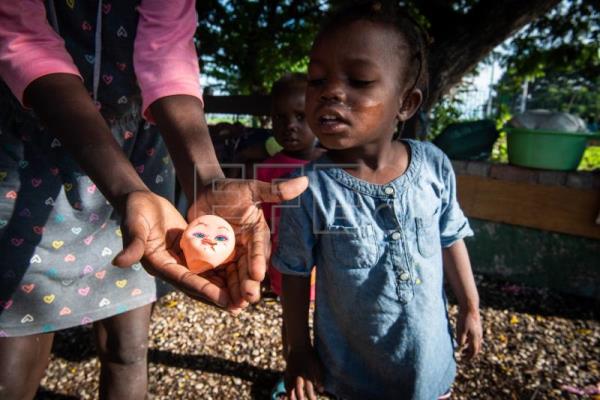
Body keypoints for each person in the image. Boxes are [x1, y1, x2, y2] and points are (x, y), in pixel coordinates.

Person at [0, 1, 306, 399]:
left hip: (140, 157)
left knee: (127, 349)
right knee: (16, 347)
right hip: (29, 162)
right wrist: (127, 189)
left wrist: (207, 181)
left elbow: (167, 50)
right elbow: (23, 42)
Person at [271, 2, 483, 399]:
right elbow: (295, 277)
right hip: (350, 377)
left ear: (406, 104)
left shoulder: (433, 165)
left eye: (359, 80)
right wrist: (297, 351)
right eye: (317, 80)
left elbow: (450, 238)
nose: (331, 91)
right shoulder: (304, 189)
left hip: (430, 371)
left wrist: (470, 306)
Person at [254, 73, 322, 400]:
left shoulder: (334, 168)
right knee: (293, 322)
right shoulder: (266, 171)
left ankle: (326, 373)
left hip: (328, 269)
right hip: (286, 268)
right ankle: (291, 371)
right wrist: (264, 266)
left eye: (300, 116)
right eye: (280, 118)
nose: (290, 125)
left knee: (330, 321)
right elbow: (260, 226)